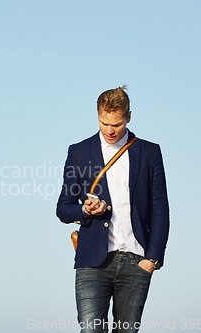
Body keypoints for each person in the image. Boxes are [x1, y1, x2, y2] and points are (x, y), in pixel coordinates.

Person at [56, 86, 169, 333]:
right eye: (103, 122)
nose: (109, 130)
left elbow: (160, 208)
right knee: (91, 330)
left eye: (116, 124)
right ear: (97, 115)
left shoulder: (149, 152)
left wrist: (152, 259)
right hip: (92, 261)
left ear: (128, 117)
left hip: (136, 259)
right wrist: (85, 210)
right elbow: (63, 208)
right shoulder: (79, 152)